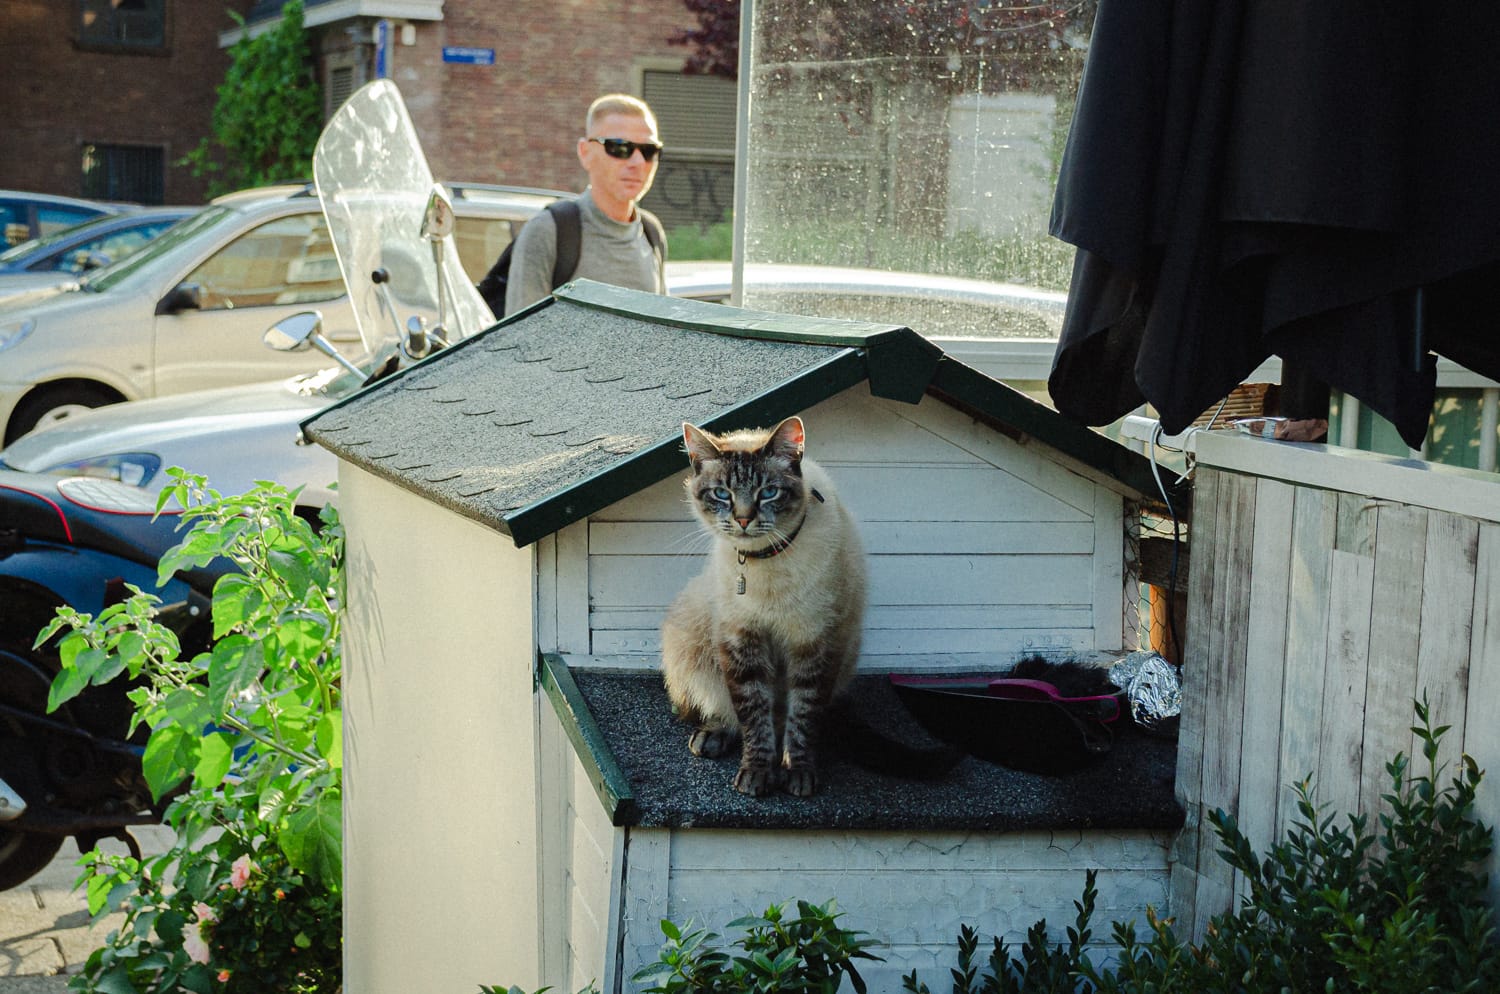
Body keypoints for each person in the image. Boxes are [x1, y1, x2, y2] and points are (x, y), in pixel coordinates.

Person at [502, 93, 668, 315]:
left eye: (649, 151)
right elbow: (520, 338)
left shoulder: (651, 232)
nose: (637, 162)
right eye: (619, 147)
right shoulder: (550, 230)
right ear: (585, 152)